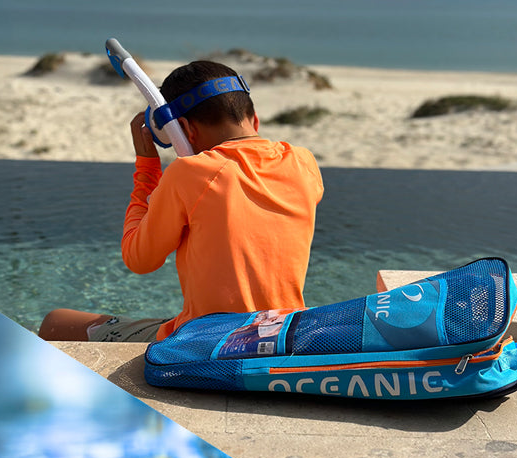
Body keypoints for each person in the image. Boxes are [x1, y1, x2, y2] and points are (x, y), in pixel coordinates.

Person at [39, 59, 323, 344]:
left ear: (183, 128)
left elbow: (139, 259)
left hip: (211, 340)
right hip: (282, 333)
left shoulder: (190, 173)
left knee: (57, 322)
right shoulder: (303, 163)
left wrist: (147, 168)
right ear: (255, 118)